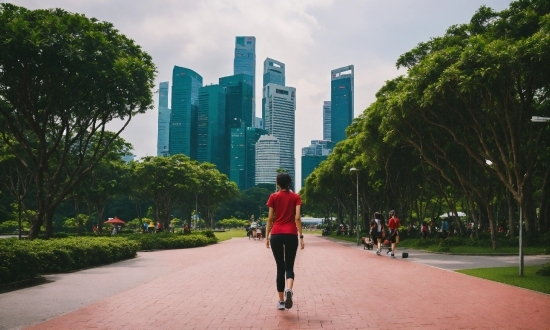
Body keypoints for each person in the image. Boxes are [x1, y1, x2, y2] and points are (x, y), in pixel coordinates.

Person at [265, 173, 304, 311]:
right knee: (289, 267)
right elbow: (298, 218)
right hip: (291, 234)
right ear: (290, 183)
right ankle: (289, 289)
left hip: (276, 234)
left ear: (277, 183)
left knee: (280, 268)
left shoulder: (273, 196)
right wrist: (301, 237)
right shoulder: (296, 197)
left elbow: (270, 218)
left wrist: (266, 236)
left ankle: (281, 301)